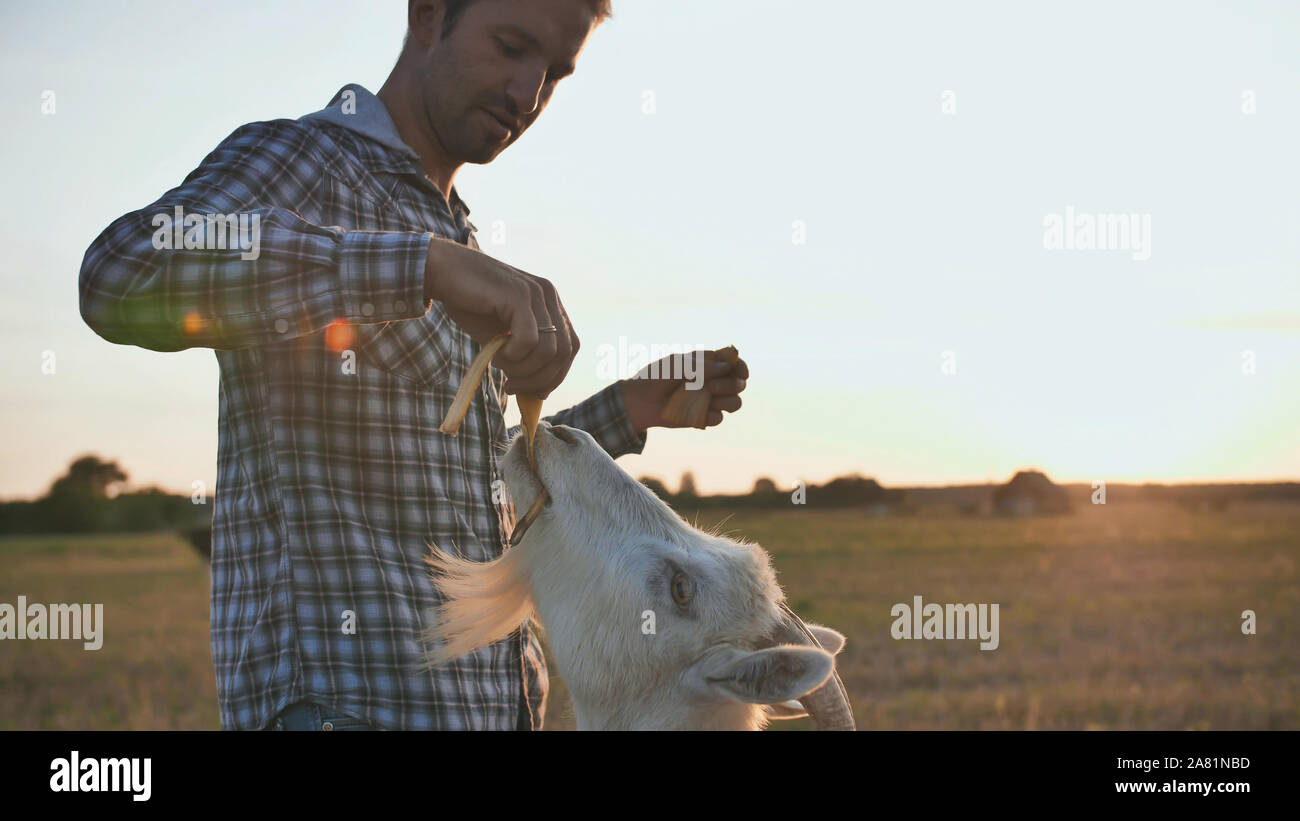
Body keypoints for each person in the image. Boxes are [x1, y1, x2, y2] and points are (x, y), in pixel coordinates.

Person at [78, 0, 748, 730]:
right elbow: (120, 273)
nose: (526, 96)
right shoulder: (303, 160)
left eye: (553, 73)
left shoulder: (458, 230)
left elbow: (471, 486)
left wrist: (628, 409)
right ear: (428, 14)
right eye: (511, 46)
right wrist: (419, 265)